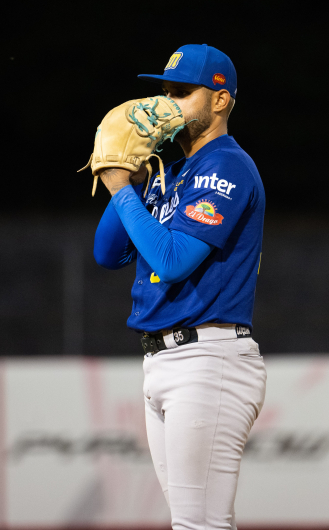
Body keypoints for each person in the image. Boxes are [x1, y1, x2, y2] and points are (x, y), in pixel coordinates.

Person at [92, 44, 266, 530]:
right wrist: (134, 176)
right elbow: (107, 254)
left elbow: (170, 261)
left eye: (183, 92)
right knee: (193, 524)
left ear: (220, 100)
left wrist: (119, 188)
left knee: (199, 526)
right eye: (165, 90)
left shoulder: (225, 165)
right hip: (165, 362)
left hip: (207, 361)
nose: (167, 103)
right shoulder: (171, 170)